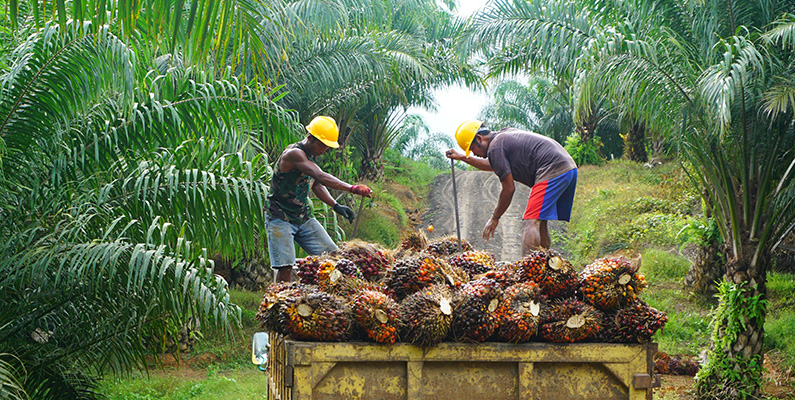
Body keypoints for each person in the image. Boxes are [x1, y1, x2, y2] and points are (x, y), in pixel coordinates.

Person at [445, 120, 577, 255]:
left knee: (530, 222)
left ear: (479, 138)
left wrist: (495, 217)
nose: (473, 153)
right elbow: (493, 164)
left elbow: (509, 189)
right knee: (540, 221)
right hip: (568, 168)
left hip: (553, 169)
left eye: (472, 149)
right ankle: (545, 265)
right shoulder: (502, 137)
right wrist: (462, 158)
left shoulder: (495, 147)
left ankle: (528, 271)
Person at [266, 115, 372, 282]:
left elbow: (315, 184)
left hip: (303, 217)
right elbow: (320, 176)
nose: (324, 150)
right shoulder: (294, 154)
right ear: (310, 138)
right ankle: (278, 300)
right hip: (280, 217)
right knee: (285, 266)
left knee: (333, 257)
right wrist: (352, 188)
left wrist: (336, 205)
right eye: (322, 145)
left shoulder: (310, 157)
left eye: (327, 147)